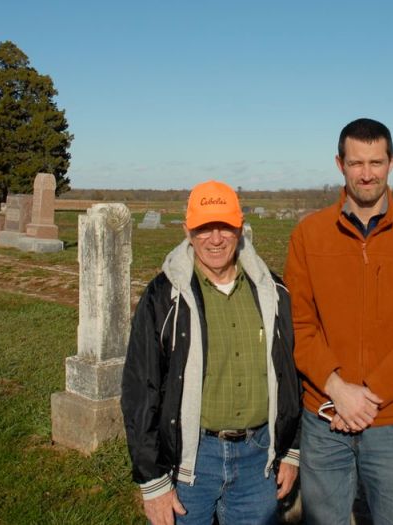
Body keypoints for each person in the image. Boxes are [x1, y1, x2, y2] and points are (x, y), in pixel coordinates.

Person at [284, 117, 393, 525]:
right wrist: (338, 390)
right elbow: (300, 325)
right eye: (356, 163)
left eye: (375, 162)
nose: (366, 173)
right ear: (339, 164)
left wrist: (367, 396)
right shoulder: (309, 235)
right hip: (325, 416)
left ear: (392, 163)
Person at [121, 180, 301, 525]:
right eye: (204, 228)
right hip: (191, 463)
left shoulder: (274, 292)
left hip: (258, 462)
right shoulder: (164, 297)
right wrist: (153, 481)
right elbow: (139, 389)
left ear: (240, 228)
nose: (215, 239)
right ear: (188, 231)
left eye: (224, 227)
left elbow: (294, 374)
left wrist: (292, 450)